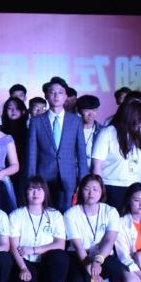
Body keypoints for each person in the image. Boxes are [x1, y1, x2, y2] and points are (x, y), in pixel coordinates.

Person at [63, 174, 123, 282]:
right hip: (79, 255)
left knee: (115, 266)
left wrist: (98, 261)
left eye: (95, 189)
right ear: (80, 191)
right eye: (87, 189)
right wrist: (92, 271)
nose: (91, 193)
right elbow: (78, 246)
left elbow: (110, 240)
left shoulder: (110, 211)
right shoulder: (70, 214)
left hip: (101, 254)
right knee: (76, 280)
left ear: (102, 191)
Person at [27, 77, 88, 210]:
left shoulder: (75, 121)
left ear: (65, 96)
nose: (56, 96)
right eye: (52, 92)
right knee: (44, 211)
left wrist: (83, 181)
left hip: (68, 176)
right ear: (46, 96)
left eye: (60, 92)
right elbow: (32, 153)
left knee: (67, 212)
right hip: (43, 176)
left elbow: (81, 154)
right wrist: (32, 180)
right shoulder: (36, 121)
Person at [9, 176, 69, 282]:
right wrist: (23, 267)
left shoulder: (55, 215)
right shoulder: (17, 214)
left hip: (46, 261)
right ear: (26, 193)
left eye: (39, 189)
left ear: (45, 192)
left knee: (61, 256)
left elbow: (60, 244)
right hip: (25, 261)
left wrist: (34, 249)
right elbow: (13, 246)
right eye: (31, 189)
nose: (35, 193)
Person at [91, 99, 141, 208]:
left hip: (134, 188)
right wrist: (99, 190)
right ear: (130, 117)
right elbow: (97, 166)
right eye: (139, 119)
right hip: (112, 188)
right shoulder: (107, 133)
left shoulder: (134, 136)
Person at [1, 97, 29, 205]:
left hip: (23, 172)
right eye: (9, 108)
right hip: (3, 171)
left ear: (23, 111)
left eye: (17, 108)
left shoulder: (29, 132)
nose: (13, 111)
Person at [76, 95, 103, 172]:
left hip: (96, 172)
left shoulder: (103, 131)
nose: (91, 114)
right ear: (79, 111)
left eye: (94, 110)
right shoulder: (71, 130)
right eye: (87, 110)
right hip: (75, 172)